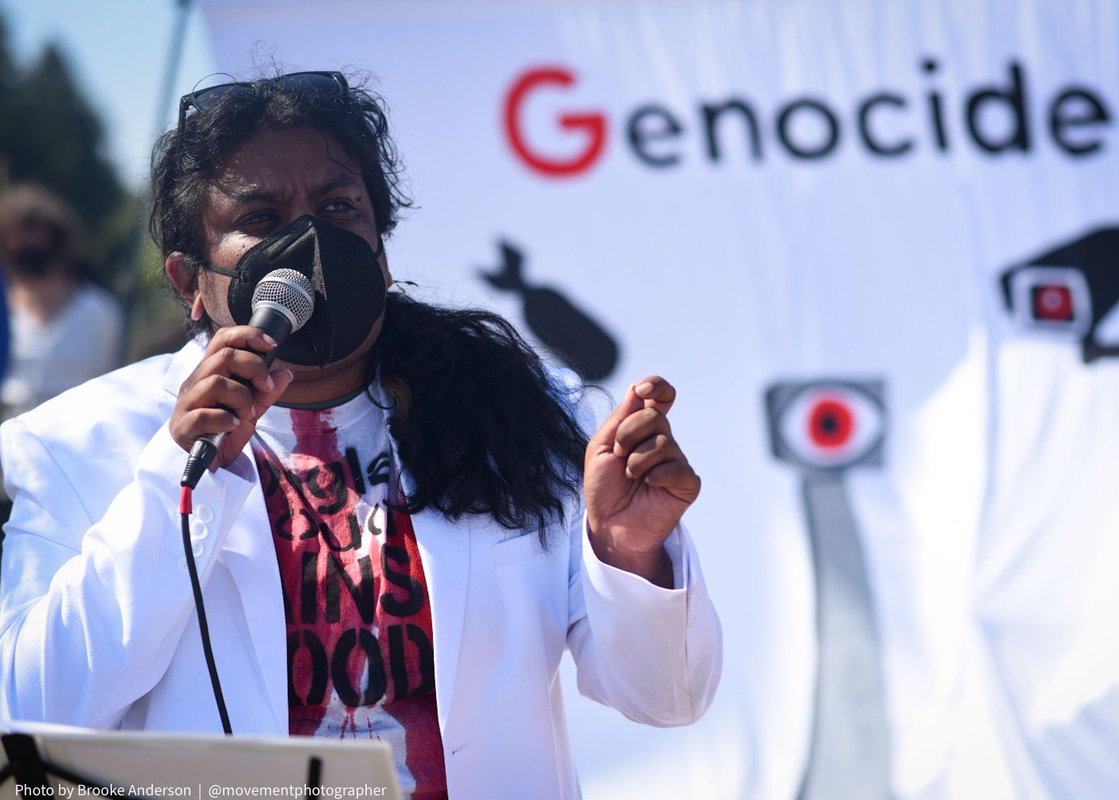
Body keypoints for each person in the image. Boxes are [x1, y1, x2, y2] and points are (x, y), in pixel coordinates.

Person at [0, 70, 722, 799]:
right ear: (192, 280)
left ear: (380, 246)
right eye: (263, 216)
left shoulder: (522, 412)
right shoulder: (76, 447)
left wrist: (629, 553)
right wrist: (175, 482)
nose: (309, 241)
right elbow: (31, 715)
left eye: (339, 207)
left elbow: (670, 696)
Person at [0, 184, 122, 422]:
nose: (25, 243)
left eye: (34, 231)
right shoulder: (4, 310)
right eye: (15, 235)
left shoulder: (101, 314)